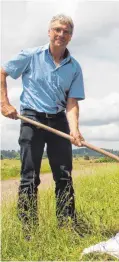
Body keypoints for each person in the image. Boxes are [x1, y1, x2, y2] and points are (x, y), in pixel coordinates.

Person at [1, 14, 85, 236]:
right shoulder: (31, 55)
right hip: (32, 118)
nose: (61, 34)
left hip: (58, 120)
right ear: (49, 32)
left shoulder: (74, 67)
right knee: (30, 176)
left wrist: (74, 129)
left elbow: (72, 102)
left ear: (71, 36)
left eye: (66, 31)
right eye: (57, 29)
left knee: (64, 175)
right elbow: (2, 71)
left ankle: (66, 226)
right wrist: (4, 103)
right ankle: (28, 229)